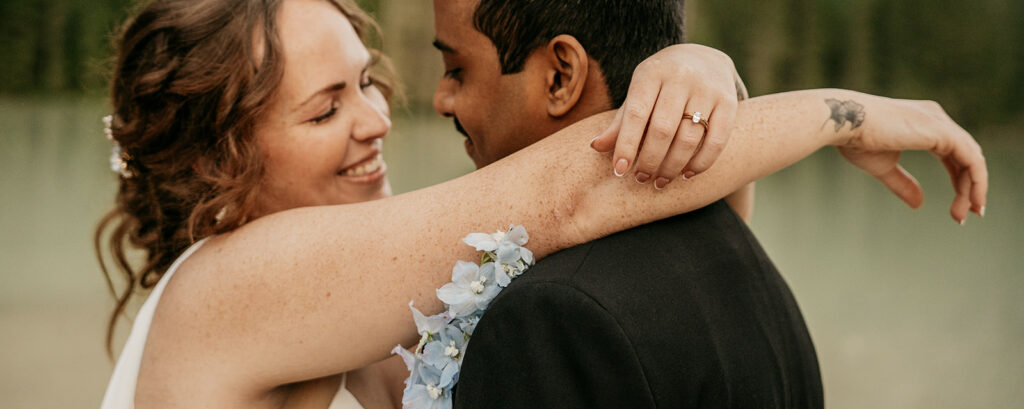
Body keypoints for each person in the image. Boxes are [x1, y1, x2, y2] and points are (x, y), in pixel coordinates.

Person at [96, 0, 987, 408]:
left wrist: (699, 77)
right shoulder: (229, 291)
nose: (380, 117)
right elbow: (573, 191)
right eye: (327, 107)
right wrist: (847, 113)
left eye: (367, 81)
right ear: (220, 157)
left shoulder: (348, 306)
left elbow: (614, 243)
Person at [429, 1, 988, 408]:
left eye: (457, 69)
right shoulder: (733, 243)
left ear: (561, 76)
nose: (440, 98)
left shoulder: (551, 318)